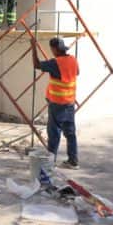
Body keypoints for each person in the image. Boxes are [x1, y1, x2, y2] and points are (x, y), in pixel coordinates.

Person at [32, 36, 79, 168]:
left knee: (54, 133)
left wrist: (33, 47)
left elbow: (36, 64)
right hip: (70, 102)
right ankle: (73, 161)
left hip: (57, 104)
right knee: (70, 133)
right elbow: (77, 72)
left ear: (55, 49)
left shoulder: (55, 63)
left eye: (52, 49)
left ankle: (50, 163)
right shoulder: (73, 60)